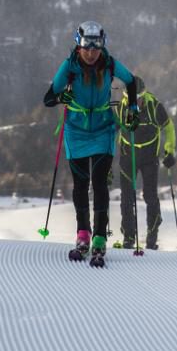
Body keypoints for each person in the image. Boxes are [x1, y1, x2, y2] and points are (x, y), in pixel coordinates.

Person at [44, 20, 138, 262]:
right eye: (87, 47)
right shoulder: (70, 66)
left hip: (103, 130)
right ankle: (82, 234)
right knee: (80, 184)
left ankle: (98, 238)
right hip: (75, 132)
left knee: (98, 183)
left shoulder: (109, 64)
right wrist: (62, 96)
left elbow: (131, 81)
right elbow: (48, 98)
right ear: (79, 44)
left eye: (96, 47)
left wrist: (133, 109)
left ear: (102, 45)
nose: (91, 52)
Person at [117, 75, 176, 250]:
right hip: (128, 155)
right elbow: (114, 130)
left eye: (140, 98)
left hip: (149, 157)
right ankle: (128, 237)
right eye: (133, 99)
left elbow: (169, 128)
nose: (137, 102)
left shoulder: (155, 107)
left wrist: (169, 150)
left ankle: (152, 235)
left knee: (150, 196)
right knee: (127, 197)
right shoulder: (121, 108)